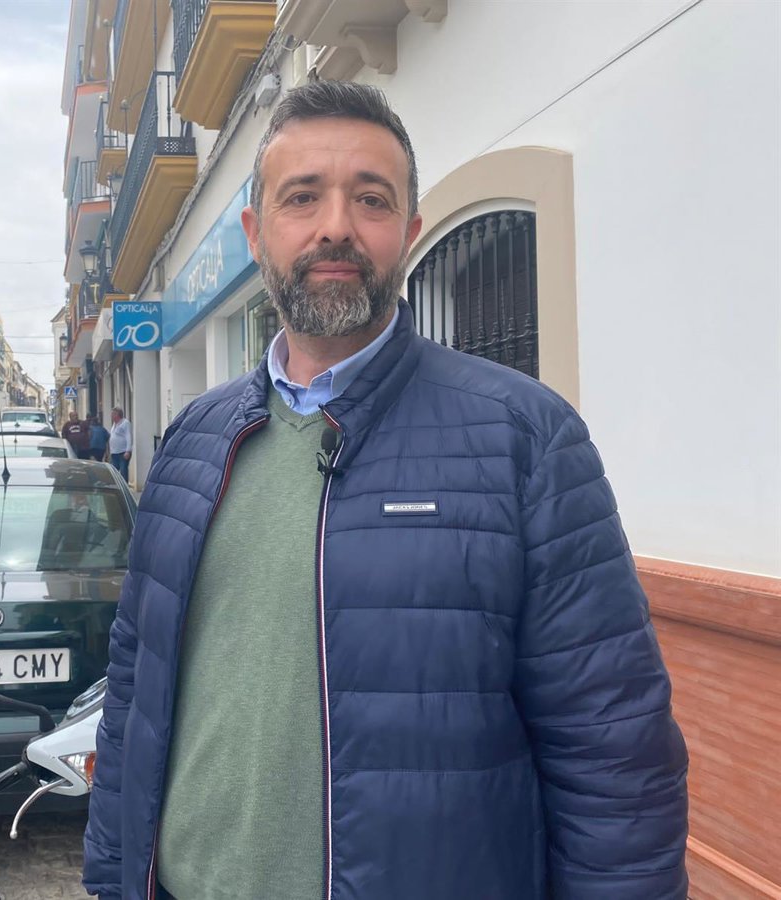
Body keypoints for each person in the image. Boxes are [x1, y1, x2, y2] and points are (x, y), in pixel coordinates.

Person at [82, 81, 688, 900]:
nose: (336, 225)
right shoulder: (193, 441)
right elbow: (133, 692)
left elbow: (613, 754)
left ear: (409, 231)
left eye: (370, 199)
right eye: (303, 196)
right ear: (257, 234)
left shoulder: (526, 438)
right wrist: (112, 878)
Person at [108, 407, 132, 482]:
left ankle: (124, 485)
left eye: (113, 414)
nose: (111, 416)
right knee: (113, 471)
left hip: (123, 452)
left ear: (117, 414)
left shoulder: (125, 423)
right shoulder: (114, 424)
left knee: (123, 470)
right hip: (114, 452)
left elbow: (128, 436)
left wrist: (128, 451)